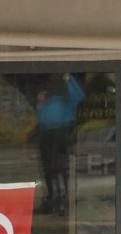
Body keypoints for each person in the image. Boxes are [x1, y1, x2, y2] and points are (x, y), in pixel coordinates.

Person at [36, 73, 84, 215]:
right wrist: (39, 103)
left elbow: (79, 96)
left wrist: (69, 80)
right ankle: (53, 197)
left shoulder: (68, 100)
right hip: (46, 134)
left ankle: (63, 198)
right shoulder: (47, 101)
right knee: (48, 168)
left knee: (60, 166)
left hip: (61, 132)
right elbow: (41, 118)